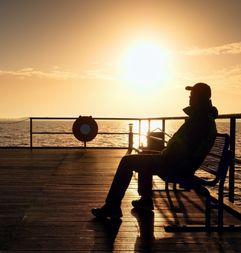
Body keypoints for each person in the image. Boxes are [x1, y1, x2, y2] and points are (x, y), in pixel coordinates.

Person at [92, 82, 218, 219]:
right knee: (143, 155)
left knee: (127, 161)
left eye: (192, 95)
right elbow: (186, 148)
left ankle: (112, 207)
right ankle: (145, 200)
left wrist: (165, 156)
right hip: (177, 163)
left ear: (201, 97)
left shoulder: (200, 121)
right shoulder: (202, 118)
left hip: (175, 166)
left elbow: (186, 149)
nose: (189, 98)